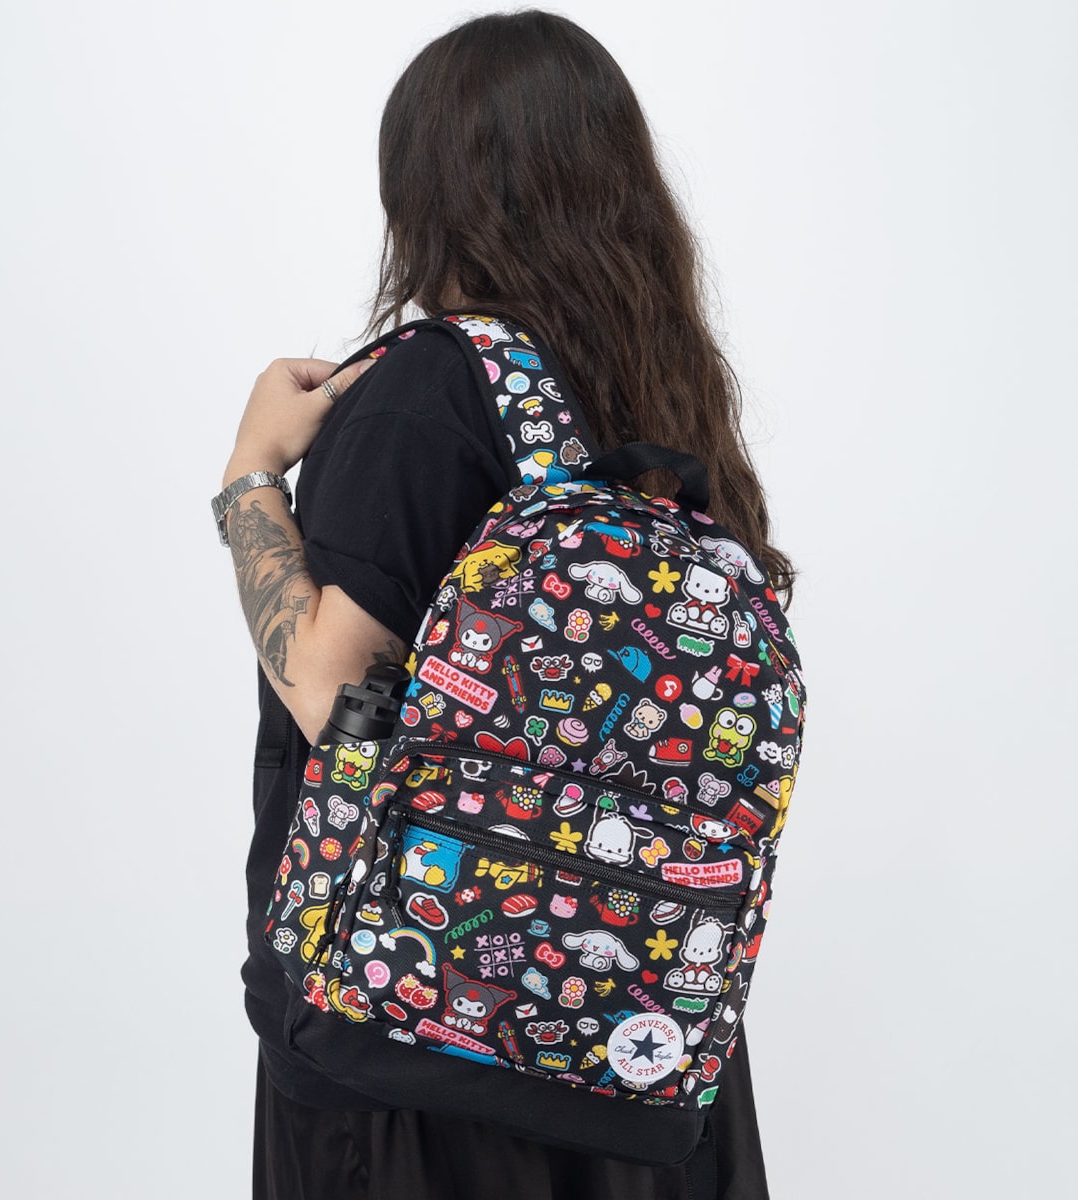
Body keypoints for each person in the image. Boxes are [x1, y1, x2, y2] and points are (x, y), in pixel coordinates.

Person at [215, 11, 795, 1199]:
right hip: (636, 1038)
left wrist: (251, 474)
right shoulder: (662, 393)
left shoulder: (428, 388)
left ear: (421, 193)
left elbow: (333, 689)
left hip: (417, 1024)